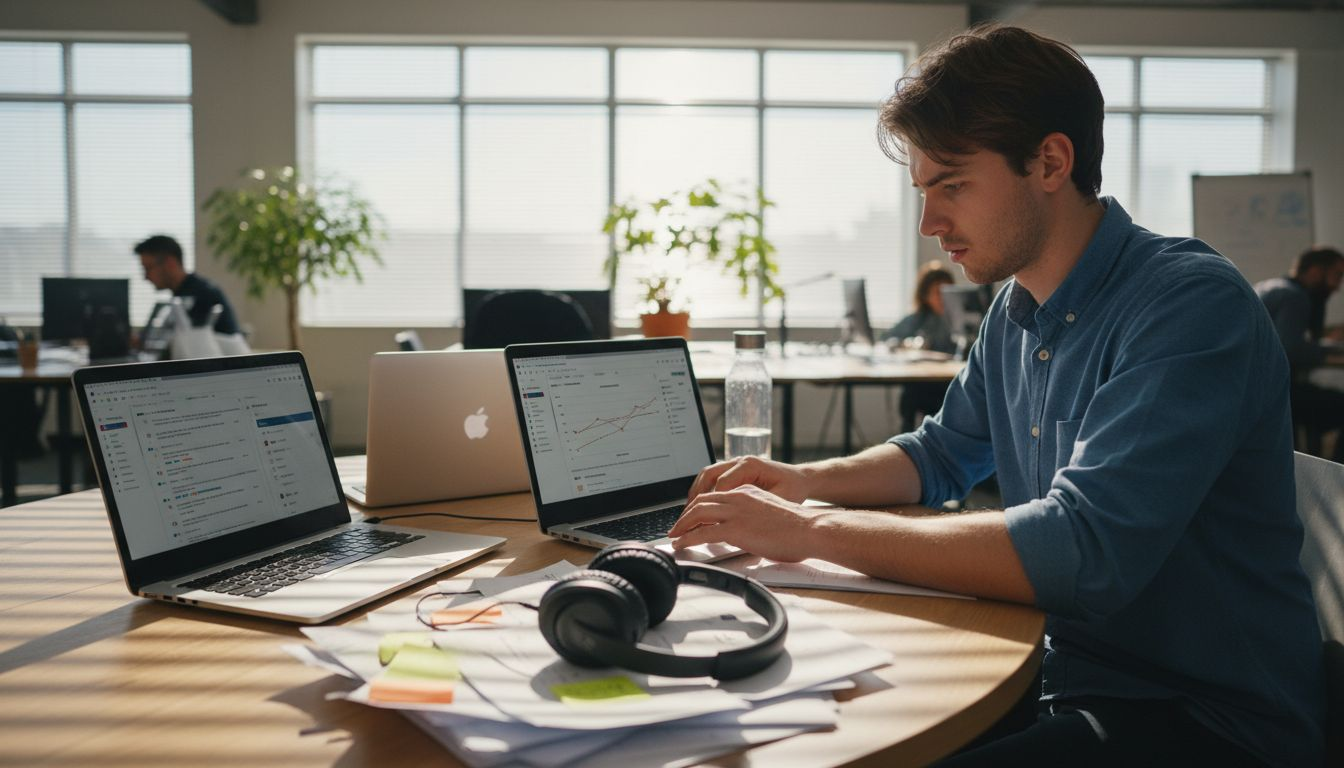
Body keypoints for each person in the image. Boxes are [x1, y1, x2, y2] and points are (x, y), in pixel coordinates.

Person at [670, 24, 1323, 767]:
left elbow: (1084, 549)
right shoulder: (1015, 313)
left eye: (951, 185)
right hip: (1062, 675)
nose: (929, 225)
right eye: (923, 191)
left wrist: (811, 531)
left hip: (1204, 720)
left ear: (1050, 161)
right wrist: (804, 484)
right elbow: (941, 454)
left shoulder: (1188, 306)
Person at [1255, 245, 1344, 461]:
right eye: (1337, 276)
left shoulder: (1272, 286)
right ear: (1314, 271)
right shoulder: (1294, 296)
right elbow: (1291, 349)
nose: (1337, 287)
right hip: (1272, 395)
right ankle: (1337, 484)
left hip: (1255, 392)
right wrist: (1334, 351)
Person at [883, 261, 957, 431]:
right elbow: (887, 339)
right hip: (924, 383)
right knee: (911, 392)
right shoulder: (918, 318)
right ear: (925, 295)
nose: (943, 298)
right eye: (938, 292)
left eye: (948, 292)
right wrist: (906, 343)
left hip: (950, 384)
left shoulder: (959, 320)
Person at [134, 234, 240, 335]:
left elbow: (193, 345)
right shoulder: (181, 296)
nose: (146, 277)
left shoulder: (202, 295)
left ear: (170, 263)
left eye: (148, 268)